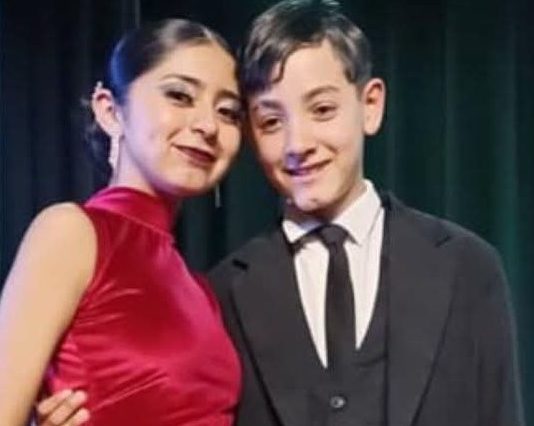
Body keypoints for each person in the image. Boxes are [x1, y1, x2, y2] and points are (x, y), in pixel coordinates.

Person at [37, 1, 525, 425]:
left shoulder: (466, 267)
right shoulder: (222, 295)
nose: (298, 144)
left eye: (323, 110)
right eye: (271, 121)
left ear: (370, 105)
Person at [0, 18, 244, 426]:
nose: (208, 125)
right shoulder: (72, 233)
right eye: (180, 95)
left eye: (228, 112)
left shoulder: (201, 289)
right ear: (110, 111)